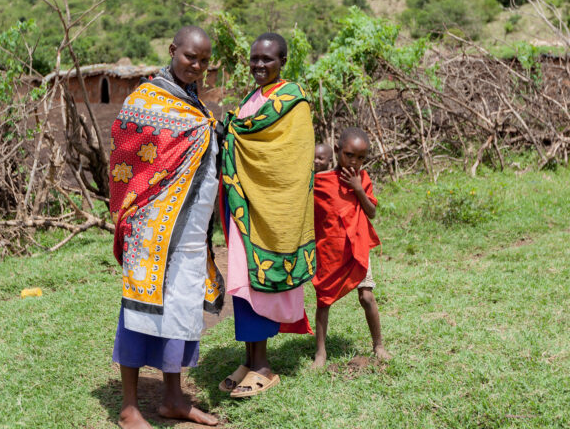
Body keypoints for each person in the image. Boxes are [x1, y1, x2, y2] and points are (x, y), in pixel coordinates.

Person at [109, 26, 223, 429]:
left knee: (182, 308)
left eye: (205, 60)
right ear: (173, 50)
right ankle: (128, 408)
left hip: (189, 231)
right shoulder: (147, 99)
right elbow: (127, 147)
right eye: (191, 56)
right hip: (153, 227)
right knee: (140, 310)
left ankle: (174, 398)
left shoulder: (193, 103)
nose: (197, 65)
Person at [219, 32, 316, 398]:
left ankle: (263, 367)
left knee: (258, 282)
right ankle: (248, 360)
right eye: (254, 58)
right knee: (243, 285)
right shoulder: (251, 99)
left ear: (283, 62)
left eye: (268, 59)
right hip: (242, 206)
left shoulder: (293, 101)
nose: (259, 65)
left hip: (270, 210)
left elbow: (290, 160)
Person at [311, 127, 392, 370]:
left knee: (367, 296)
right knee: (324, 301)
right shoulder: (321, 182)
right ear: (337, 151)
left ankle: (378, 345)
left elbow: (372, 212)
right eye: (349, 155)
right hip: (330, 250)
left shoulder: (363, 179)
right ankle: (320, 353)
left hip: (357, 246)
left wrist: (358, 188)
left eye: (360, 158)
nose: (354, 162)